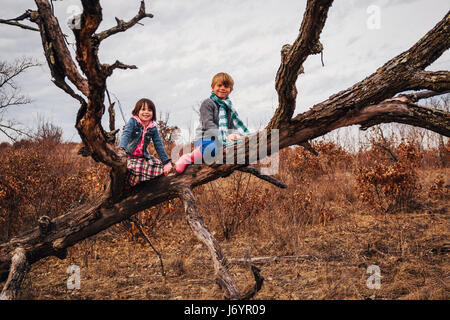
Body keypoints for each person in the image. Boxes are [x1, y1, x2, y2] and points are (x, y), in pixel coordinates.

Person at [175, 72, 251, 173]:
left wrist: (233, 135)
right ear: (212, 87)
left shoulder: (228, 108)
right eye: (219, 85)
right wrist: (222, 135)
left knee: (238, 145)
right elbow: (207, 123)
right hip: (206, 138)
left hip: (223, 139)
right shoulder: (208, 103)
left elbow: (231, 126)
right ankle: (189, 157)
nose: (222, 88)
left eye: (226, 86)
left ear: (230, 90)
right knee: (211, 149)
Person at [118, 98, 172, 187]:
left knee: (159, 166)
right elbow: (126, 134)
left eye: (149, 110)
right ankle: (128, 183)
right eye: (143, 109)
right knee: (132, 168)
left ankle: (141, 184)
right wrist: (121, 150)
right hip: (129, 156)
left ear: (153, 113)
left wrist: (166, 162)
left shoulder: (152, 127)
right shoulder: (133, 122)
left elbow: (158, 144)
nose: (146, 112)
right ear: (137, 111)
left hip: (142, 157)